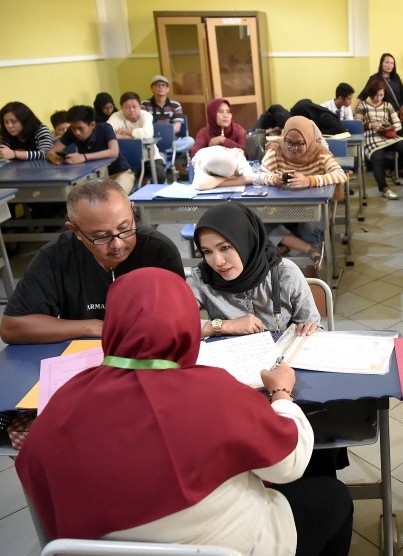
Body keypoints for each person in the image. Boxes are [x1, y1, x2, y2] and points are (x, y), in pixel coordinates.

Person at [15, 267, 354, 556]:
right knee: (333, 497)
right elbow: (288, 464)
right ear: (187, 325)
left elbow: (35, 472)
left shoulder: (64, 402)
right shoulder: (212, 390)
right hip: (229, 546)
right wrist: (281, 393)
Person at [0, 178, 184, 344]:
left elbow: (180, 318)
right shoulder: (56, 256)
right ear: (75, 231)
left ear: (132, 210)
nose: (117, 244)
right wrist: (94, 327)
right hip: (81, 353)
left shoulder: (158, 250)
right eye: (101, 236)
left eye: (125, 227)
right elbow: (12, 327)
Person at [189, 202, 320, 337]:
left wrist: (309, 331)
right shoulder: (202, 278)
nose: (218, 262)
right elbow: (172, 327)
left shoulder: (285, 273)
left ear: (247, 242)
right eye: (207, 251)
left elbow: (316, 330)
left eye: (225, 248)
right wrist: (224, 326)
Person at [260, 115, 346, 260]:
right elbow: (261, 175)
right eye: (289, 143)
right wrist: (275, 179)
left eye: (300, 144)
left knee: (309, 229)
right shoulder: (276, 149)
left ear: (309, 139)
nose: (294, 149)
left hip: (313, 208)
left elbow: (340, 174)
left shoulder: (319, 153)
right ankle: (310, 251)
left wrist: (310, 181)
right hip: (283, 207)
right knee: (259, 222)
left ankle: (314, 279)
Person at [46, 105, 135, 194]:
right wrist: (55, 159)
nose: (76, 132)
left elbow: (114, 152)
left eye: (80, 128)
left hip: (120, 174)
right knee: (78, 197)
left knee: (115, 197)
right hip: (94, 178)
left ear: (92, 124)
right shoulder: (71, 132)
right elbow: (51, 152)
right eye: (73, 128)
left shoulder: (105, 128)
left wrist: (84, 157)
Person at [354, 79, 403, 200]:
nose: (379, 97)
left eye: (382, 95)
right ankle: (384, 188)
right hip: (371, 137)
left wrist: (391, 127)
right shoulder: (363, 106)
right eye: (377, 95)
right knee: (377, 157)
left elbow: (398, 123)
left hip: (388, 136)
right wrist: (370, 125)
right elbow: (357, 126)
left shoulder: (387, 105)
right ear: (371, 93)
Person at [107, 92, 165, 183]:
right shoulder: (116, 116)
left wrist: (127, 131)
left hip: (150, 157)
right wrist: (127, 137)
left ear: (140, 106)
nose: (131, 110)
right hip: (127, 159)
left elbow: (147, 133)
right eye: (127, 107)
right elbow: (107, 133)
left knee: (160, 175)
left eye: (134, 106)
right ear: (122, 107)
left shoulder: (146, 115)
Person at [141, 74, 196, 156]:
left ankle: (158, 152)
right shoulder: (144, 105)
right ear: (152, 88)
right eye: (157, 85)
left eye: (163, 85)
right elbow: (143, 125)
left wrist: (165, 135)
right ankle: (160, 152)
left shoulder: (175, 105)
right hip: (152, 140)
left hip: (171, 140)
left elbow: (177, 127)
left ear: (168, 89)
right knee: (139, 145)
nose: (160, 87)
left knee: (190, 141)